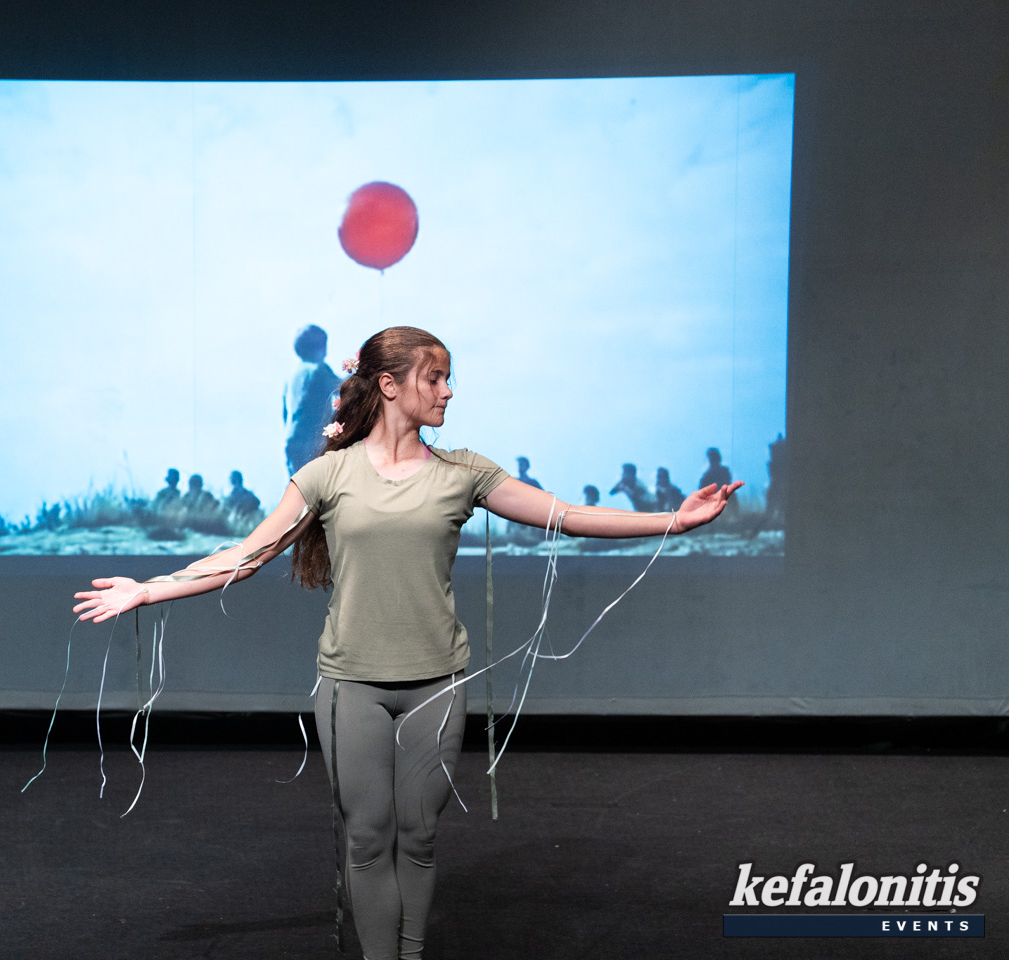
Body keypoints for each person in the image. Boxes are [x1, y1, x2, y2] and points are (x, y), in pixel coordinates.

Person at [73, 327, 740, 960]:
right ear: (389, 386)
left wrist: (677, 521)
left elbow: (567, 515)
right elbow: (247, 556)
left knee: (417, 838)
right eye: (435, 377)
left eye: (449, 378)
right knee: (367, 839)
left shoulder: (463, 473)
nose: (448, 391)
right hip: (351, 686)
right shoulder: (326, 475)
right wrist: (148, 590)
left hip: (436, 685)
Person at [283, 324, 342, 476]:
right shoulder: (318, 370)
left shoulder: (293, 377)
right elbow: (343, 388)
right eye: (323, 345)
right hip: (311, 442)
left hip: (293, 440)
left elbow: (285, 414)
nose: (326, 351)